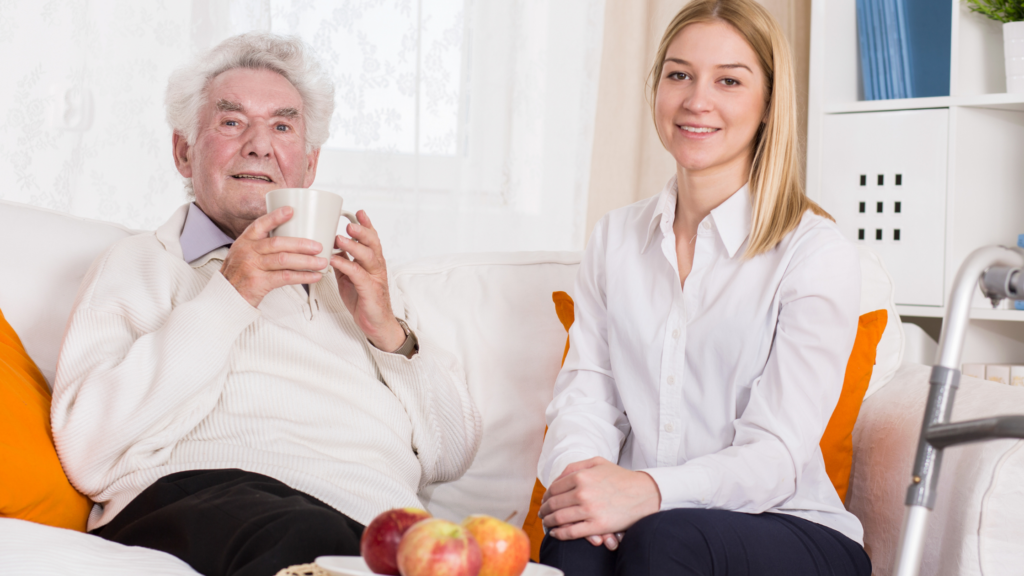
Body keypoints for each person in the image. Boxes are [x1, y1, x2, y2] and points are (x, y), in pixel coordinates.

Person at [50, 32, 482, 576]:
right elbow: (90, 450)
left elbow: (453, 455)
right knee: (307, 536)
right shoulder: (141, 262)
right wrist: (232, 295)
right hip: (203, 497)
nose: (259, 144)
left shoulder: (358, 284)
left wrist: (387, 332)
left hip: (374, 524)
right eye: (232, 122)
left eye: (283, 126)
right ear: (184, 151)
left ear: (309, 163)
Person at [535, 1, 871, 574]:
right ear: (657, 87)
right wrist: (584, 485)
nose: (697, 100)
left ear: (768, 104)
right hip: (646, 520)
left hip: (789, 524)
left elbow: (777, 454)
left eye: (730, 81)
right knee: (571, 538)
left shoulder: (815, 254)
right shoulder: (616, 237)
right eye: (679, 74)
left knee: (667, 539)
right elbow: (587, 395)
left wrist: (648, 491)